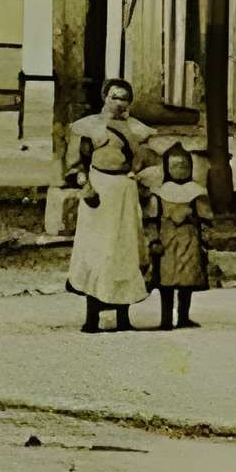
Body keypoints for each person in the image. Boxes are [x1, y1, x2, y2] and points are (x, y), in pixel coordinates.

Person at [62, 77, 157, 333]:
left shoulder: (136, 129)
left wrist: (140, 175)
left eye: (124, 98)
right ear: (105, 97)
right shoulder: (89, 127)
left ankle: (124, 317)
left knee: (124, 251)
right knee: (97, 250)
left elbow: (148, 160)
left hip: (125, 192)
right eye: (114, 96)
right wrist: (85, 186)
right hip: (99, 191)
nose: (118, 102)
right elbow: (76, 164)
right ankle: (91, 317)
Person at [147, 142, 214, 328]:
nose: (180, 170)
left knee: (187, 282)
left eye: (184, 166)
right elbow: (152, 219)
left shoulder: (196, 192)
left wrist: (203, 234)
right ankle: (166, 319)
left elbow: (205, 216)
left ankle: (183, 317)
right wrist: (153, 239)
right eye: (175, 166)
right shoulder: (159, 193)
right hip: (166, 241)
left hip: (189, 240)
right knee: (166, 283)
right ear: (167, 168)